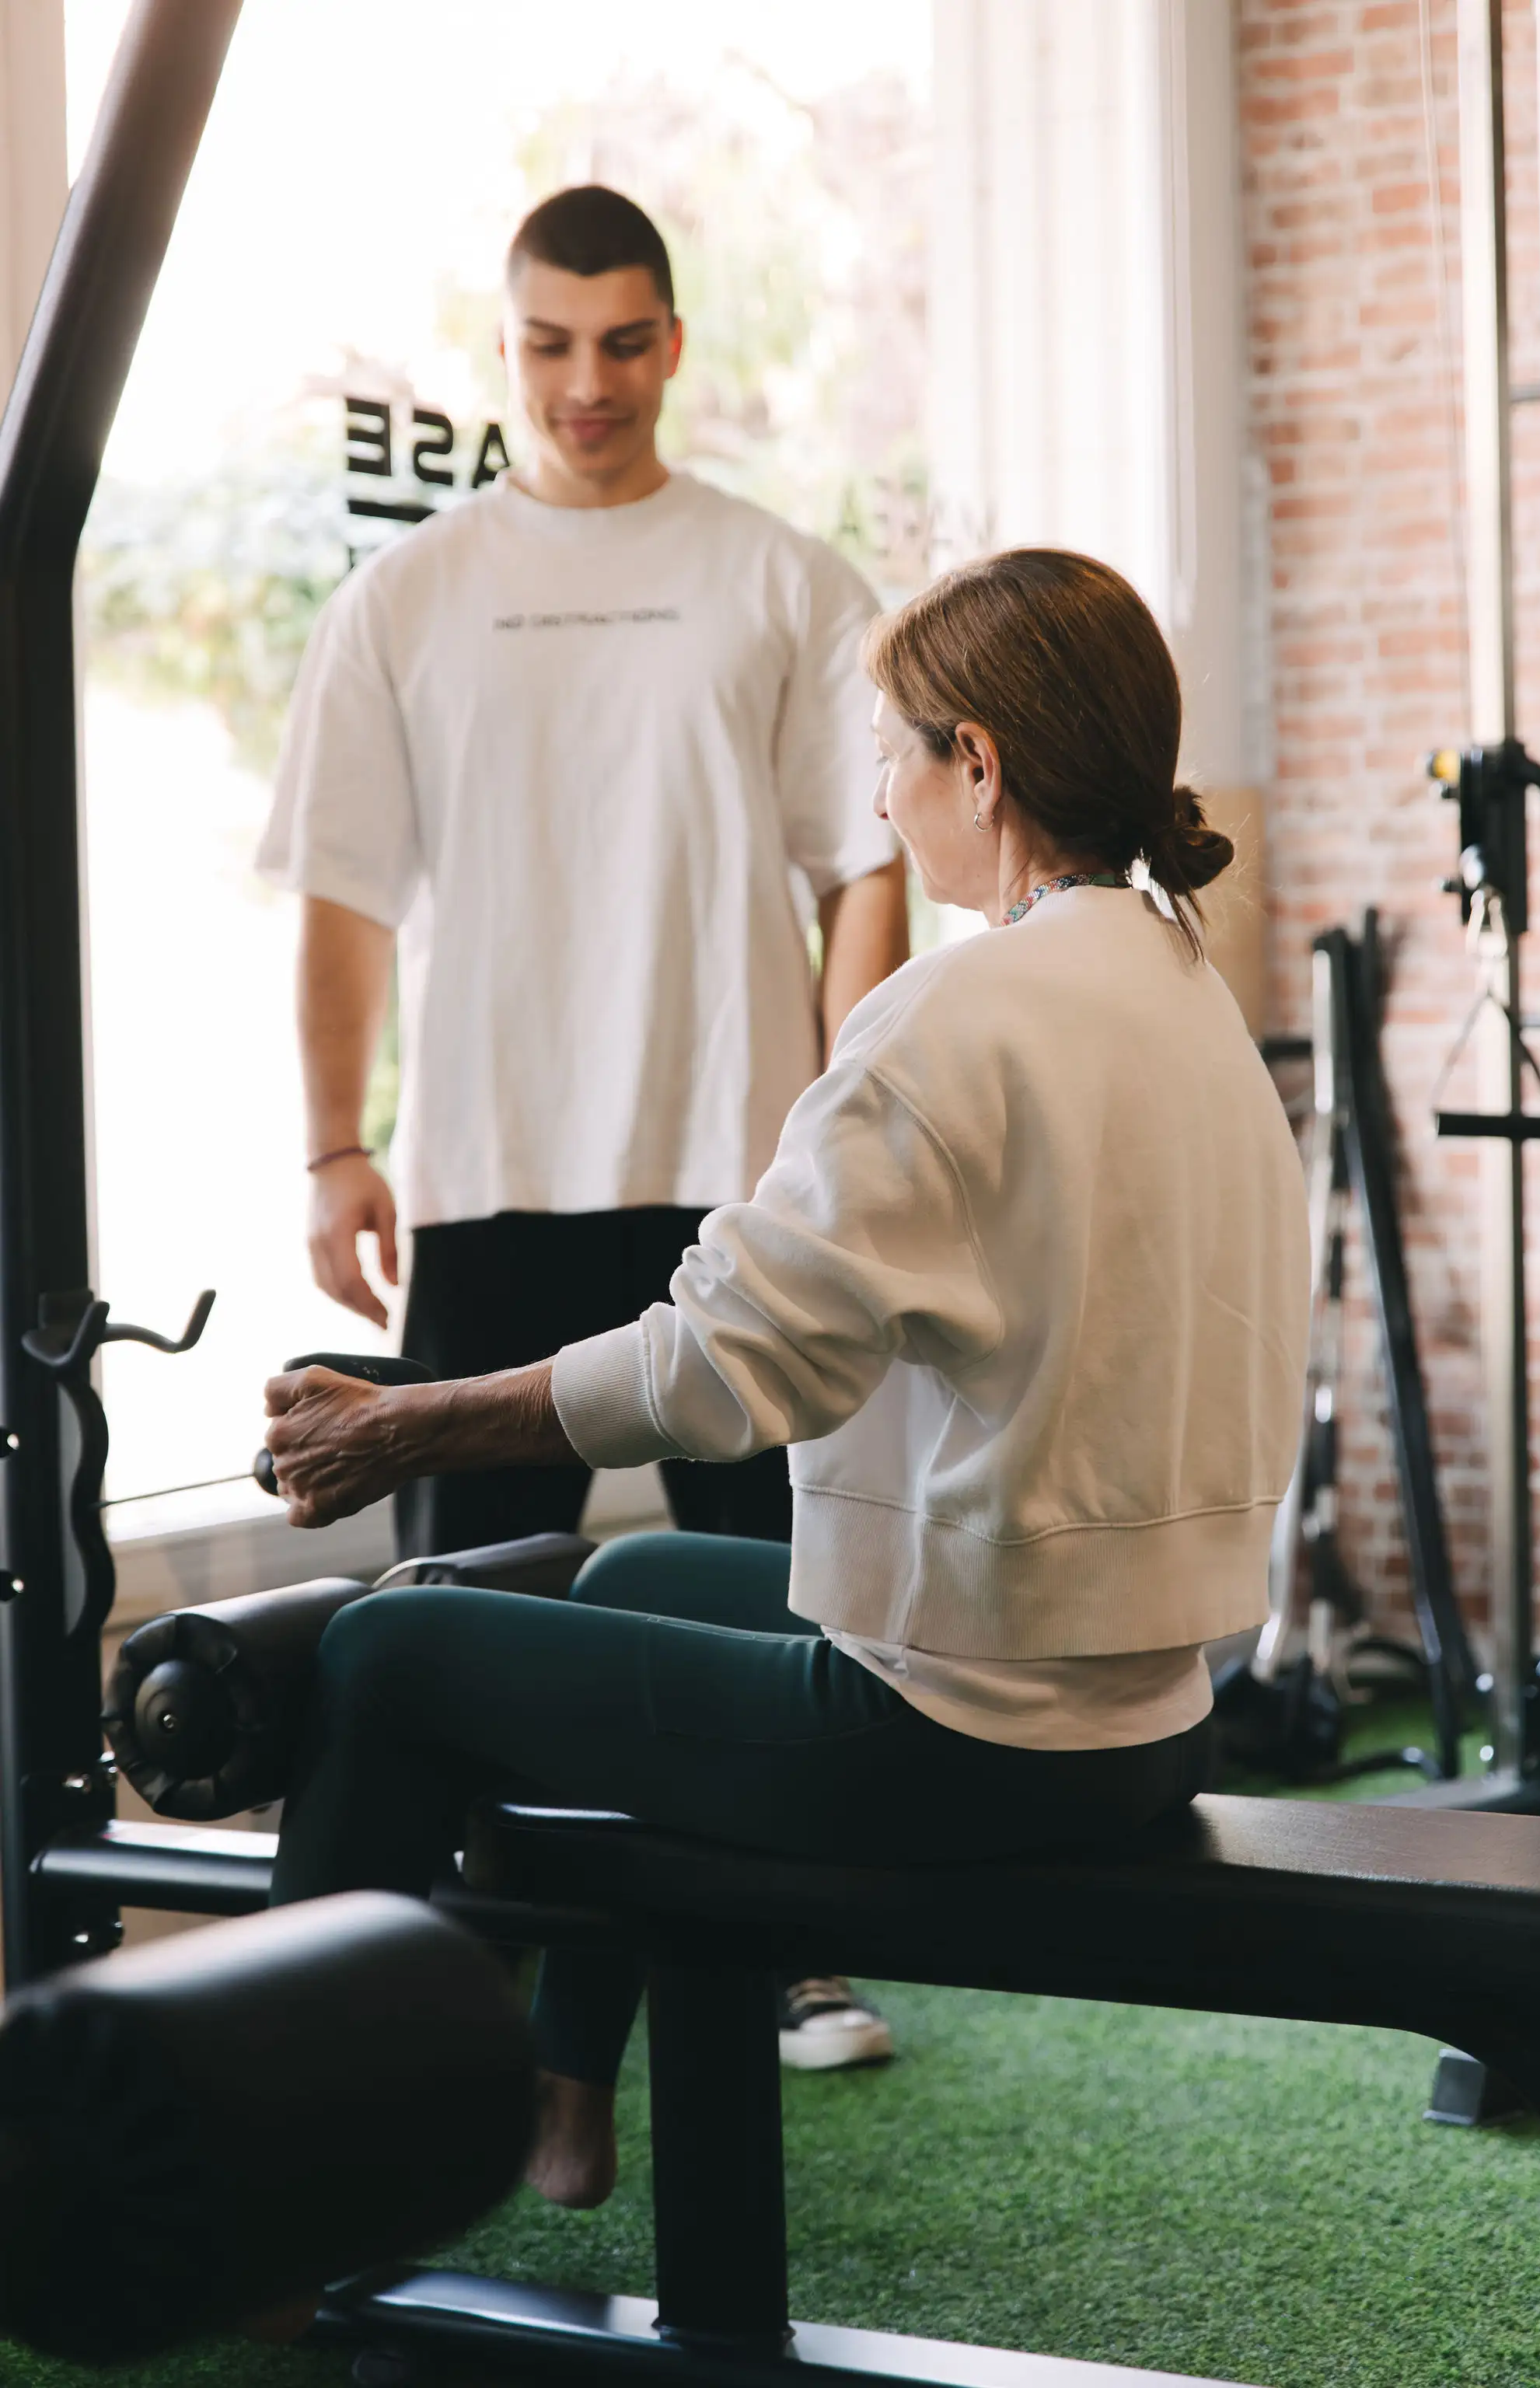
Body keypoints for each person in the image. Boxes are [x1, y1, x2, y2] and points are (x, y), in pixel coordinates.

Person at [264, 546, 1312, 2211]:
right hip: (1151, 1717)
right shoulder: (1192, 999)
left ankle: (278, 2195)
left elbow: (716, 1371)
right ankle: (559, 2088)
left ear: (978, 761)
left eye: (895, 755)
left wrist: (412, 1422)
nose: (884, 804)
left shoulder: (944, 1022)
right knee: (641, 1570)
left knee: (389, 1647)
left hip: (953, 1741)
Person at [258, 185, 909, 2070]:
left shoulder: (785, 580)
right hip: (493, 1171)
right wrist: (332, 1144)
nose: (588, 381)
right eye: (551, 344)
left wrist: (832, 1119)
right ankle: (450, 1988)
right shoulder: (408, 596)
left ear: (675, 346)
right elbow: (341, 896)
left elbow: (865, 866)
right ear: (507, 349)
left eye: (624, 341)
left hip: (735, 1163)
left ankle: (795, 1951)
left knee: (779, 1593)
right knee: (458, 1606)